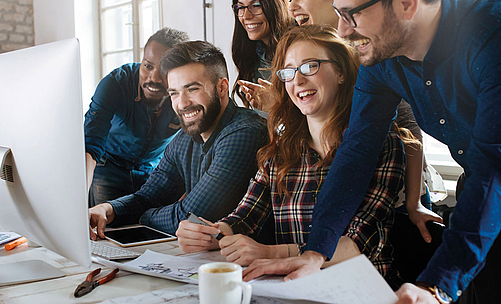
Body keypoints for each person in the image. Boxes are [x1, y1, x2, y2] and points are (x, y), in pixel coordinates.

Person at [243, 0, 501, 303]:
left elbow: (497, 168)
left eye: (352, 14)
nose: (342, 31)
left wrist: (436, 285)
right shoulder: (381, 58)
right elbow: (356, 152)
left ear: (406, 1)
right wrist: (317, 251)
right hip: (483, 199)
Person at [176, 25, 408, 286]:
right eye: (289, 72)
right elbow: (245, 216)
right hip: (293, 289)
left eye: (310, 66)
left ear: (341, 72)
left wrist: (271, 253)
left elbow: (360, 242)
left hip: (363, 291)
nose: (297, 80)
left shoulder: (383, 144)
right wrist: (212, 233)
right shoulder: (280, 151)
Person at [88, 40, 268, 239]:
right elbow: (149, 196)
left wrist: (142, 218)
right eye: (174, 93)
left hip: (251, 263)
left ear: (222, 88)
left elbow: (190, 217)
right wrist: (107, 210)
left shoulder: (245, 133)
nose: (182, 104)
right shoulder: (186, 137)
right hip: (205, 259)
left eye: (192, 89)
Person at [85, 27, 189, 206]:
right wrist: (79, 201)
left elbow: (201, 141)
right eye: (148, 66)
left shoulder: (186, 93)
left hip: (153, 171)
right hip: (108, 168)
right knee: (107, 230)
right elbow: (90, 146)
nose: (153, 78)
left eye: (164, 69)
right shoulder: (115, 83)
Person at [230, 0, 295, 109]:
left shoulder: (298, 52)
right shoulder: (253, 52)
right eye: (241, 8)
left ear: (277, 4)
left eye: (256, 6)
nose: (246, 16)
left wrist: (279, 106)